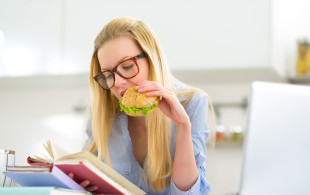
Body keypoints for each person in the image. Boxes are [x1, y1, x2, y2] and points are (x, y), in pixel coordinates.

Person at [84, 16, 212, 195]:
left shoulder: (192, 103)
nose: (118, 83)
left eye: (127, 66)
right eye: (107, 75)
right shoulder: (101, 111)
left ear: (152, 59)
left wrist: (183, 125)